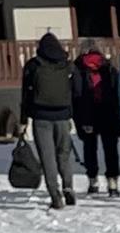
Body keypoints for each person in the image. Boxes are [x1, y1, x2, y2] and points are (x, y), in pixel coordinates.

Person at [19, 31, 81, 208]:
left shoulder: (33, 65)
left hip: (40, 117)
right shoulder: (67, 65)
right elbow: (76, 90)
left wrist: (24, 119)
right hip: (62, 116)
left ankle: (55, 195)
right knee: (63, 154)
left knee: (48, 157)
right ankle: (68, 186)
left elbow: (26, 94)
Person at [72, 41, 120, 196]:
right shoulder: (109, 68)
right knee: (111, 149)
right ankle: (113, 182)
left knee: (89, 148)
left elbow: (75, 94)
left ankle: (93, 180)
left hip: (87, 113)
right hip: (108, 112)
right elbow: (117, 92)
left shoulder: (77, 68)